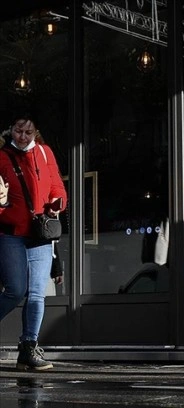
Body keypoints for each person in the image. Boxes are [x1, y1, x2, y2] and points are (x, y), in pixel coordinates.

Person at [0, 112, 68, 371]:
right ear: (11, 130)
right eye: (19, 131)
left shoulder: (44, 153)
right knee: (15, 290)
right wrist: (2, 204)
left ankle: (28, 348)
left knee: (37, 293)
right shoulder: (2, 156)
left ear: (36, 131)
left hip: (39, 233)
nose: (23, 136)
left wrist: (56, 206)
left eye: (28, 132)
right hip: (10, 233)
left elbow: (57, 188)